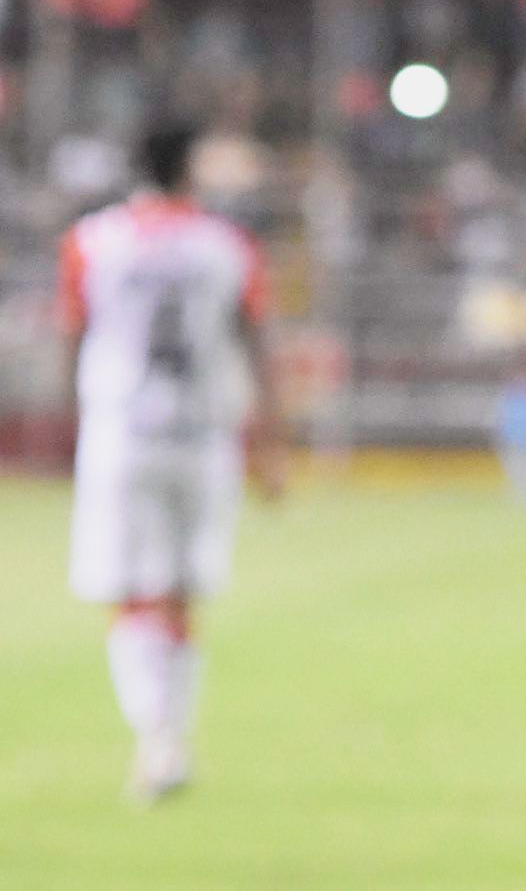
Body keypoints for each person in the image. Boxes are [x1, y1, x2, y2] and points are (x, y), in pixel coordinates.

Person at [59, 122, 283, 802]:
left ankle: (156, 739)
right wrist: (268, 443)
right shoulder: (227, 246)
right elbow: (256, 344)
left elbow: (73, 337)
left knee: (131, 590)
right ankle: (170, 738)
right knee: (181, 591)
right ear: (192, 169)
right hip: (203, 435)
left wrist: (72, 426)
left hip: (121, 432)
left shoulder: (91, 242)